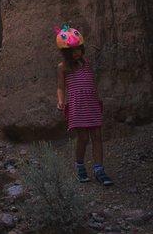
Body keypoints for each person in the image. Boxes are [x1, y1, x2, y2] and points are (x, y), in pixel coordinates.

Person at [55, 24, 113, 186]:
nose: (77, 53)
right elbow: (61, 86)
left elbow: (92, 82)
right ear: (66, 53)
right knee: (83, 138)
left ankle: (99, 170)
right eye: (73, 51)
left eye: (79, 49)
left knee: (97, 136)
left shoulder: (86, 63)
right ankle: (80, 166)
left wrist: (97, 98)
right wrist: (60, 100)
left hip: (91, 103)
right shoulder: (63, 67)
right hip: (77, 104)